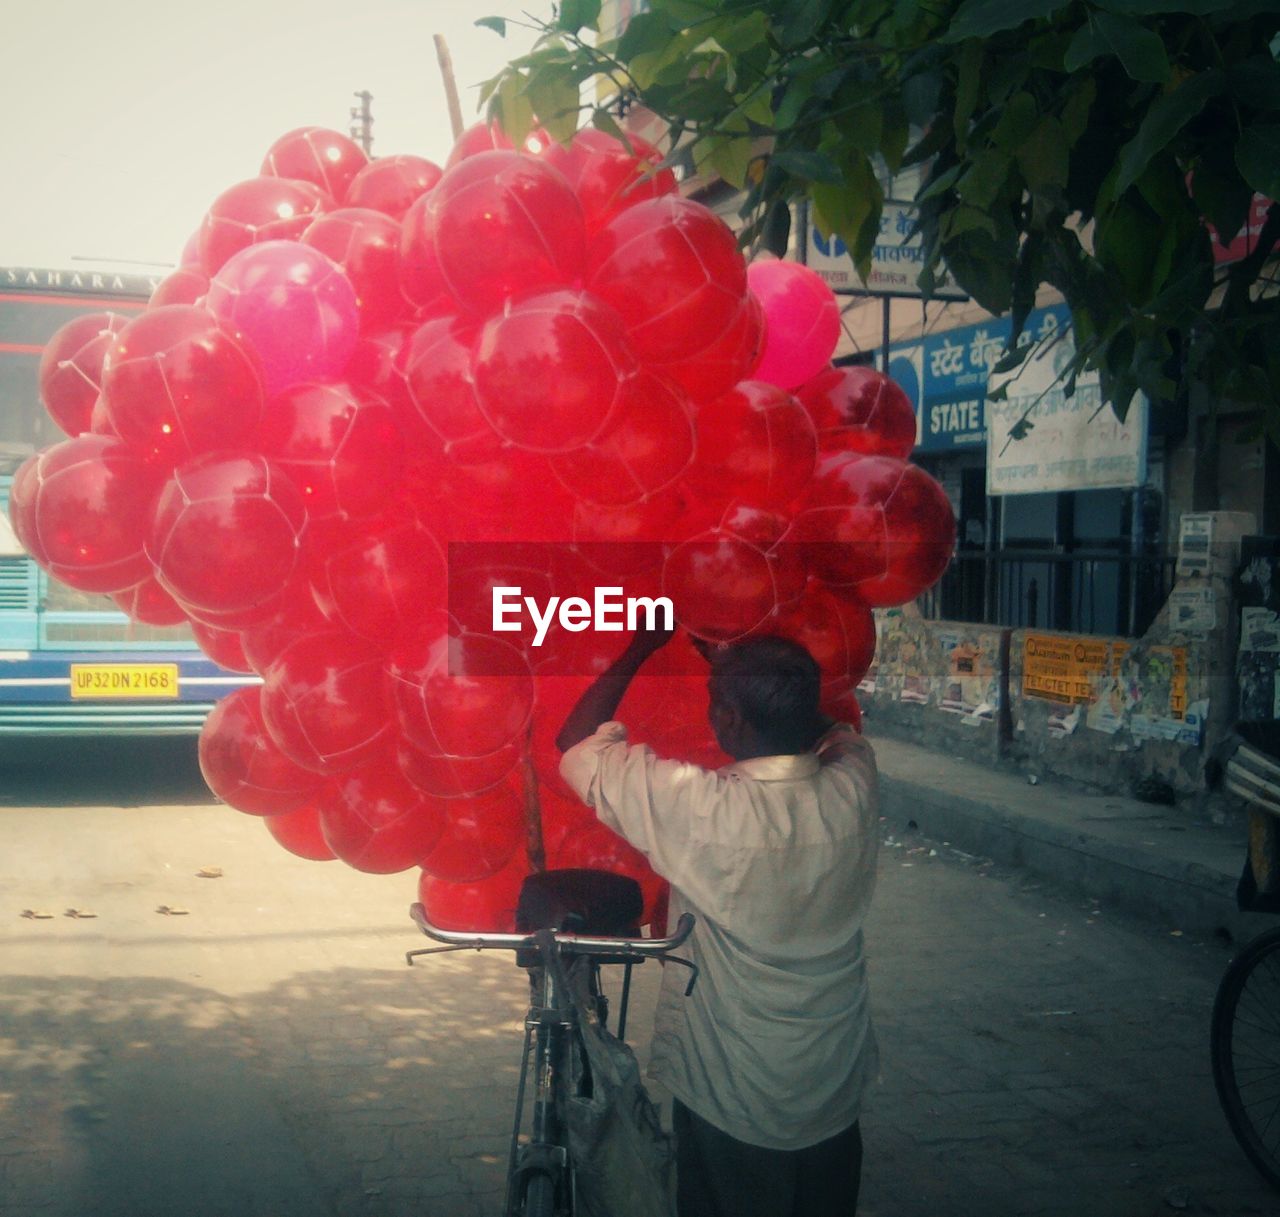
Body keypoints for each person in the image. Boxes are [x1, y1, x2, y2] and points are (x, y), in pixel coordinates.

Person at [556, 625, 881, 1217]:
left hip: (736, 1092)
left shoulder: (708, 811)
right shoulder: (854, 785)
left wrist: (640, 647)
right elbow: (833, 731)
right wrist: (753, 675)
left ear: (729, 719)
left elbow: (576, 744)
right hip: (833, 1082)